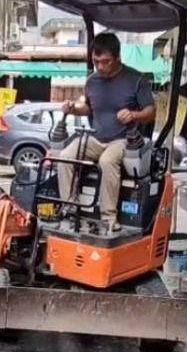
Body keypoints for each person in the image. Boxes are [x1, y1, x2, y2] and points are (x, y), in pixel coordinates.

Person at [56, 32, 156, 232]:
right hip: (96, 138)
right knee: (65, 156)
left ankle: (108, 217)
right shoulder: (92, 81)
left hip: (124, 139)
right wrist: (74, 108)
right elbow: (89, 108)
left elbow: (151, 112)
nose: (100, 67)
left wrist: (133, 115)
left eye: (105, 62)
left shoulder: (136, 79)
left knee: (107, 161)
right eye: (96, 61)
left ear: (118, 57)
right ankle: (71, 209)